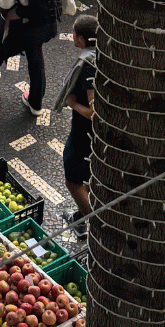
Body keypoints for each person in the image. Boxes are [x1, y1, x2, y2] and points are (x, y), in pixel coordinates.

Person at [58, 14, 97, 240]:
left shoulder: (87, 66)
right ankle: (81, 215)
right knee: (89, 176)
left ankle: (86, 221)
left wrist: (72, 103)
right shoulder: (102, 54)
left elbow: (93, 113)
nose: (71, 36)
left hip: (84, 135)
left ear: (81, 40)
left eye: (73, 32)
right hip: (97, 138)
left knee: (73, 181)